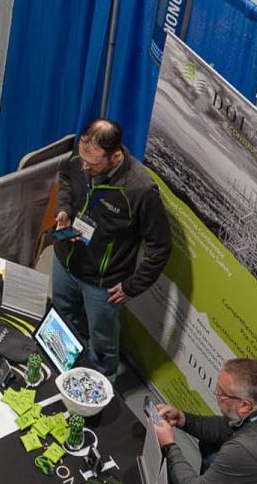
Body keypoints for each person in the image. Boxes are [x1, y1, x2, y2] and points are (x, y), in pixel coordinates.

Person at [51, 119, 171, 379]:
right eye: (82, 158)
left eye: (92, 164)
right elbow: (67, 180)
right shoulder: (81, 158)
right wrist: (64, 210)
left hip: (102, 284)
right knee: (62, 318)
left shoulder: (140, 189)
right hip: (65, 261)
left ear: (115, 156)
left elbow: (160, 246)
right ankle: (62, 371)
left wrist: (133, 286)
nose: (84, 166)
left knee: (102, 343)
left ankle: (101, 388)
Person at [154, 359, 257, 484]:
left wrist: (168, 446)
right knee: (209, 445)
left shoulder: (246, 450)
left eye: (221, 393)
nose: (216, 393)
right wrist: (183, 419)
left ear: (244, 405)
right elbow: (222, 427)